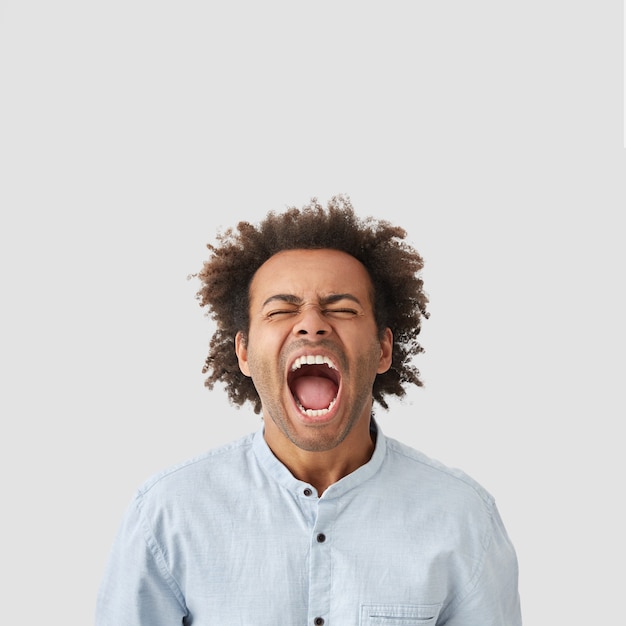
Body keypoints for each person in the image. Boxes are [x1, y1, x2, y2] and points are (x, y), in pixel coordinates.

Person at [95, 195, 522, 625]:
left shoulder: (463, 518)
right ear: (243, 352)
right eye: (281, 310)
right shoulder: (167, 515)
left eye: (342, 308)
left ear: (383, 350)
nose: (312, 323)